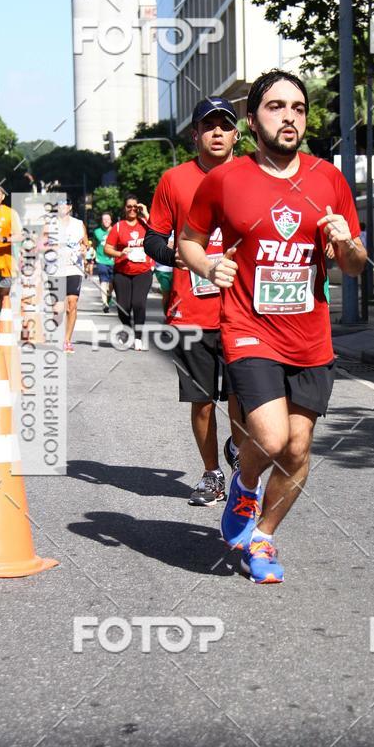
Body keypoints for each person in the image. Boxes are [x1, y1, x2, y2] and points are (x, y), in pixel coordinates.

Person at [180, 70, 367, 583]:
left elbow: (353, 264)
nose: (289, 116)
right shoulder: (225, 179)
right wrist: (206, 266)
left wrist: (347, 242)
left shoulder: (328, 178)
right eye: (276, 106)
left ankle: (262, 537)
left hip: (310, 334)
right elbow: (189, 239)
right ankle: (243, 484)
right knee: (268, 436)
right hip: (247, 327)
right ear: (253, 118)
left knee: (298, 449)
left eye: (299, 108)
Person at [145, 97, 243, 507]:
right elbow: (153, 239)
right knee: (201, 401)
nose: (217, 132)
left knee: (246, 397)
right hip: (192, 311)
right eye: (209, 126)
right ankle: (211, 474)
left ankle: (238, 449)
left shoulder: (254, 175)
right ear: (195, 135)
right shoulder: (174, 180)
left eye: (225, 125)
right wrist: (178, 256)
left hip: (244, 308)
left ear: (238, 134)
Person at [104, 195, 154, 351]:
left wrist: (146, 213)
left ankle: (138, 337)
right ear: (124, 208)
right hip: (122, 272)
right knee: (123, 307)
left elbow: (160, 230)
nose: (132, 209)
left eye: (135, 207)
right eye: (129, 206)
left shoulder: (146, 224)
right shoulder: (118, 227)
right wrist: (120, 253)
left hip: (143, 271)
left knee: (138, 303)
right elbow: (107, 249)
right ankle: (127, 328)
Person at [48, 198, 89, 353]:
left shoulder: (78, 224)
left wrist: (85, 249)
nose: (62, 207)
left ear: (70, 207)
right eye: (59, 204)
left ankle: (67, 340)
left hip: (74, 267)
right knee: (58, 308)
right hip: (55, 268)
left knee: (72, 302)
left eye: (65, 204)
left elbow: (85, 243)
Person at [0, 184, 22, 314]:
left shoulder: (10, 213)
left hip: (5, 261)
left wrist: (5, 239)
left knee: (3, 294)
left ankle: (1, 321)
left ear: (3, 196)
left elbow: (20, 236)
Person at [93, 212, 115, 313]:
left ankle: (109, 295)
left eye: (108, 219)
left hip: (114, 261)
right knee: (103, 281)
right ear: (101, 221)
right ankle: (105, 303)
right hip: (101, 259)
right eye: (104, 219)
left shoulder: (115, 230)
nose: (106, 221)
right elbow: (94, 244)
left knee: (111, 284)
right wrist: (93, 254)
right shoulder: (97, 232)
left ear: (111, 221)